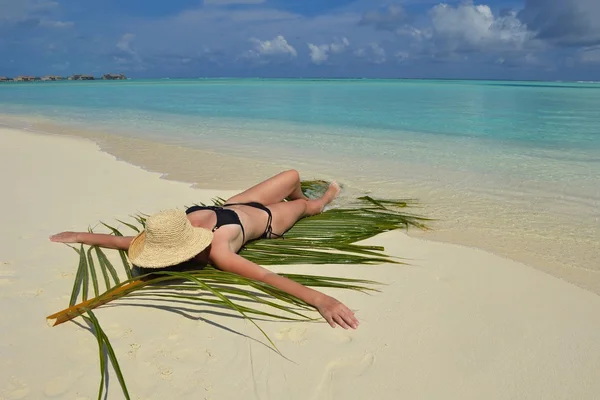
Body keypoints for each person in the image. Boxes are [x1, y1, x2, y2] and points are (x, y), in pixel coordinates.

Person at [49, 170, 359, 330]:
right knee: (307, 206)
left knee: (292, 176)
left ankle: (301, 193)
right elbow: (266, 276)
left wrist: (78, 235)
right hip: (266, 221)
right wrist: (321, 300)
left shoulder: (173, 235)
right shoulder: (218, 252)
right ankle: (324, 199)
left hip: (235, 205)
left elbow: (121, 241)